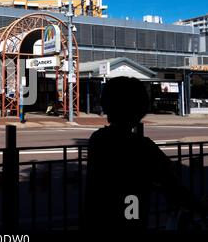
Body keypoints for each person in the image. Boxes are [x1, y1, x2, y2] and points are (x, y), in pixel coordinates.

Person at [84, 76, 207, 230]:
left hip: (97, 219)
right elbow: (171, 183)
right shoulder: (141, 146)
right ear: (140, 109)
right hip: (131, 215)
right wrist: (200, 207)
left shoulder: (98, 139)